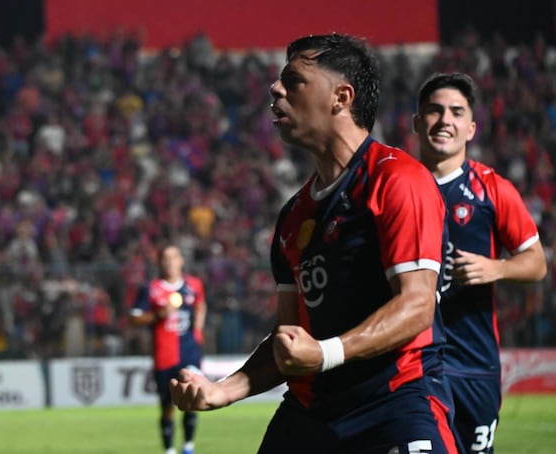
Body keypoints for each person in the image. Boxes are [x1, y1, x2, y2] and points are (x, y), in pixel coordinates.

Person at [170, 34, 458, 453]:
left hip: (396, 402)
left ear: (341, 97)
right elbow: (290, 338)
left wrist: (324, 353)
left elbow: (417, 306)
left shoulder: (397, 180)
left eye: (294, 80)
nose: (275, 89)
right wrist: (222, 391)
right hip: (312, 412)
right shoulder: (293, 217)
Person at [414, 72, 547, 454]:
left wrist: (497, 268)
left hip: (474, 366)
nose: (445, 120)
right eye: (434, 111)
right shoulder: (394, 185)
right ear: (416, 121)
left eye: (457, 112)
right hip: (412, 364)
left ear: (471, 128)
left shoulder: (493, 189)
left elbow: (536, 264)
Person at [129, 244, 206, 454]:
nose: (170, 262)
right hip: (164, 356)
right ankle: (170, 450)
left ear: (181, 261)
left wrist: (198, 331)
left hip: (190, 352)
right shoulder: (150, 289)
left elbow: (200, 305)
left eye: (174, 257)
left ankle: (189, 446)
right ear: (159, 262)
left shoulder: (193, 285)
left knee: (193, 397)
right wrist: (157, 315)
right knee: (167, 406)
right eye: (165, 258)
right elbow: (134, 318)